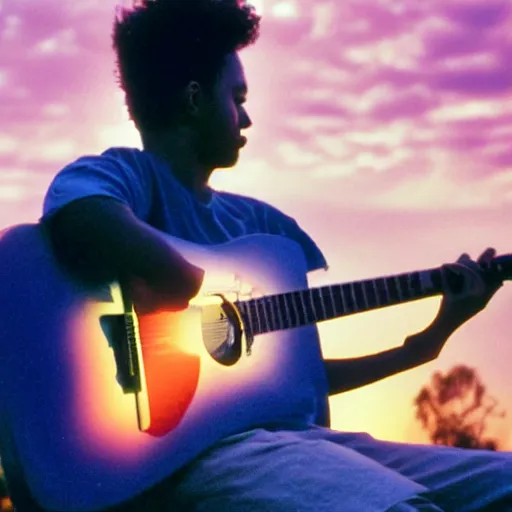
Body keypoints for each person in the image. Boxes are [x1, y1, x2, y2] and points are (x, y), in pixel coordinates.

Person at [39, 1, 511, 510]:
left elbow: (299, 381)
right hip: (201, 454)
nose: (246, 116)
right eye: (236, 97)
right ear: (195, 100)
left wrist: (430, 340)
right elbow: (79, 210)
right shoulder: (131, 177)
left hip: (307, 446)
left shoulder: (265, 230)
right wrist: (179, 279)